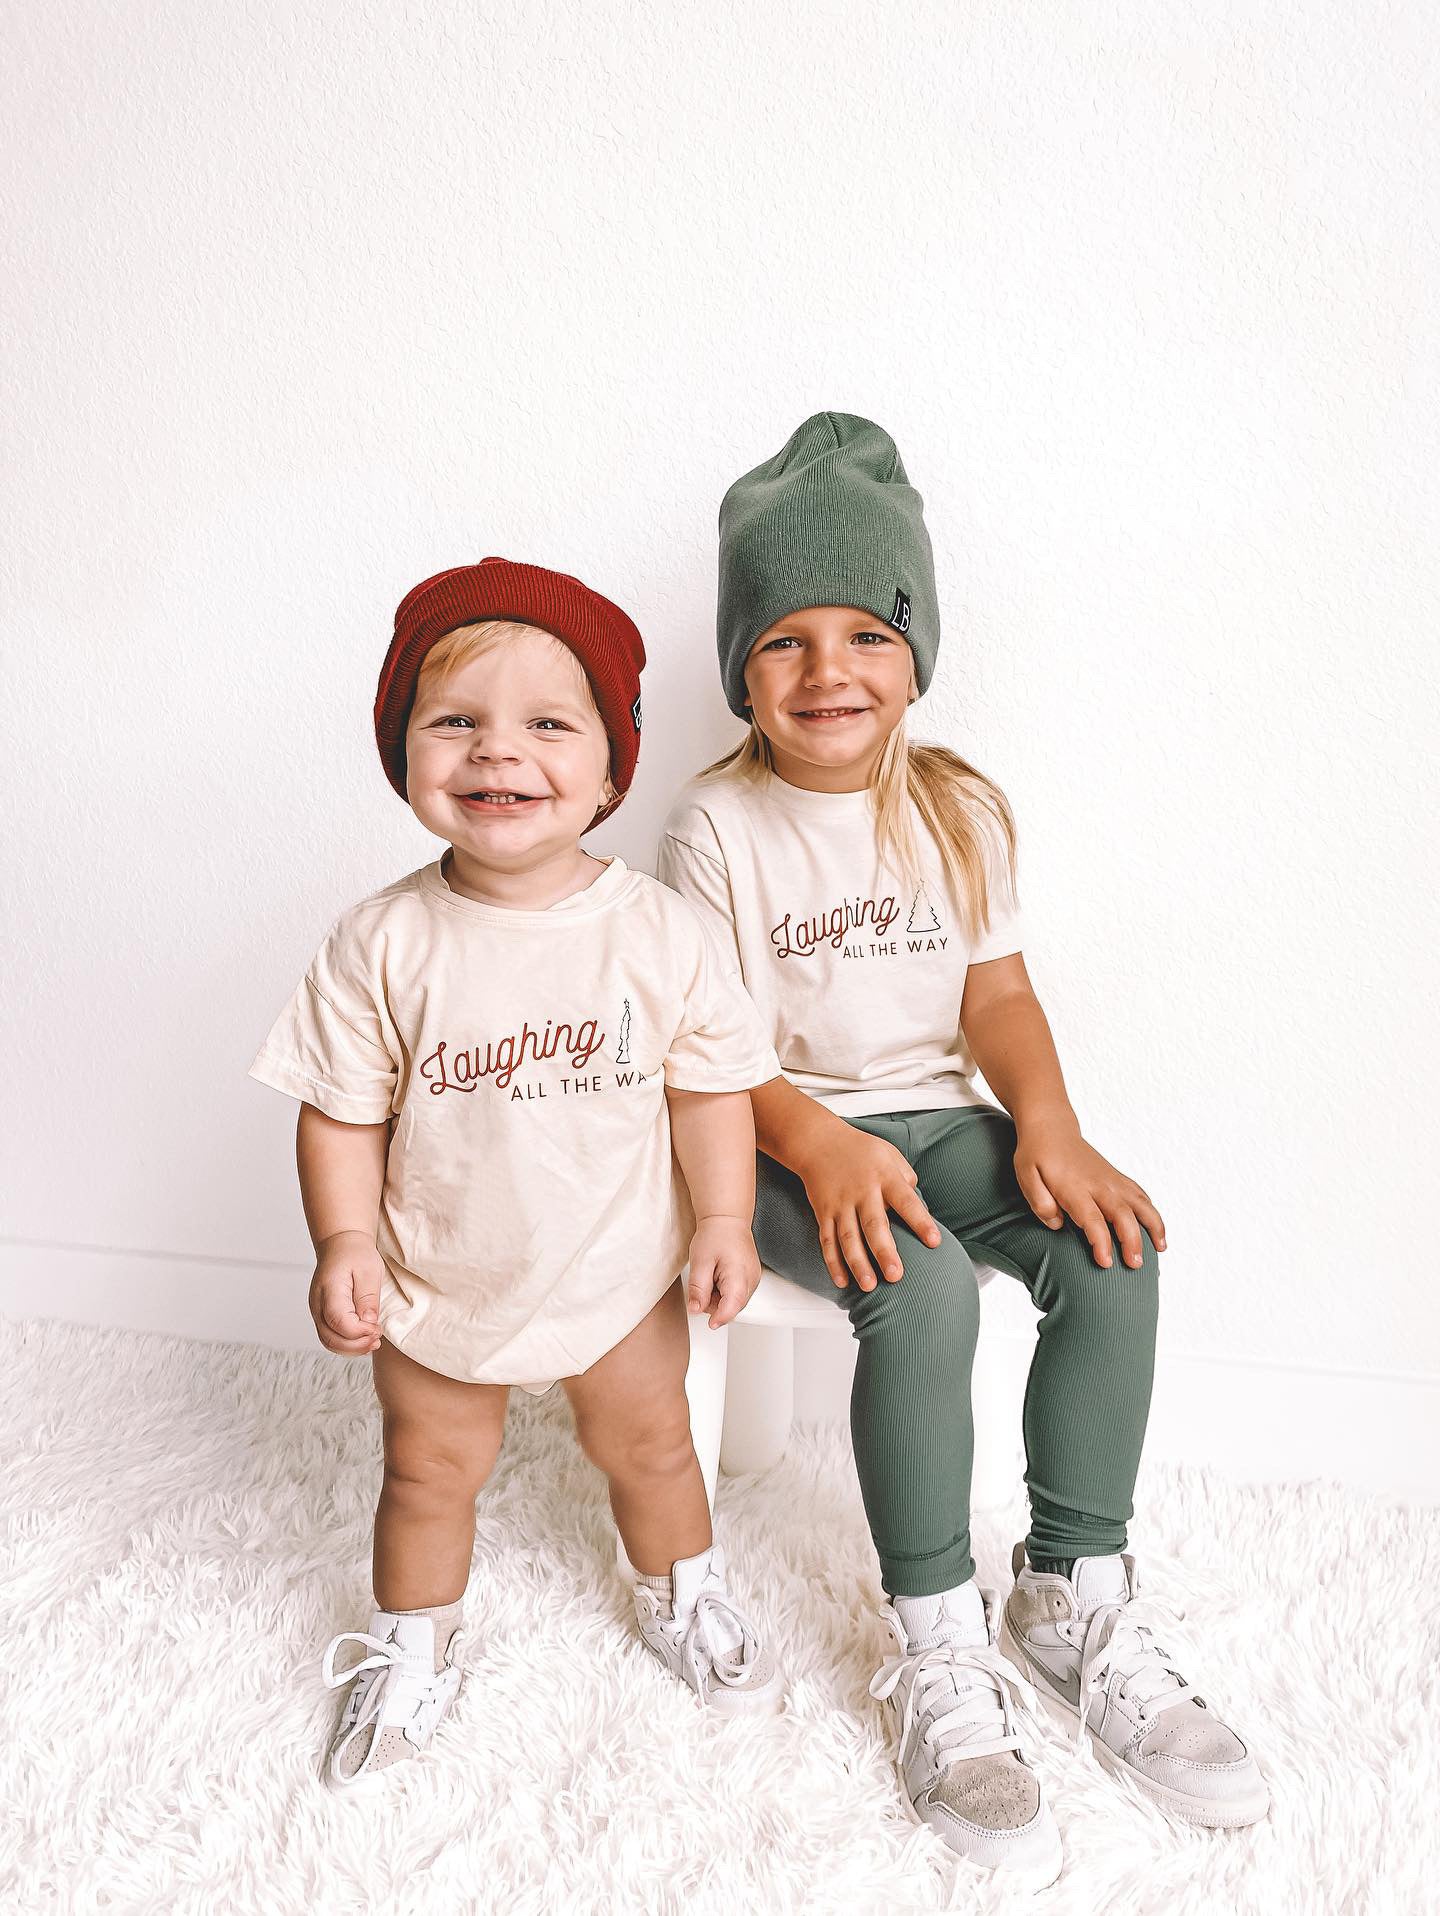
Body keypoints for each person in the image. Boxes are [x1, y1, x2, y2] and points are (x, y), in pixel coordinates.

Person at [658, 414, 1268, 1886]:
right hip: (779, 1139)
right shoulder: (716, 827)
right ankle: (936, 1641)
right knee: (921, 1290)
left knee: (1112, 1253)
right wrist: (819, 1147)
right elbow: (709, 1047)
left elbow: (996, 995)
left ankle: (1071, 1592)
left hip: (944, 1120)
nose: (829, 672)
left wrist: (1049, 1125)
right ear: (741, 664)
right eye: (786, 639)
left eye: (868, 635)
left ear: (916, 654)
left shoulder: (959, 807)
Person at [250, 557, 784, 1791]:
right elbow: (341, 1112)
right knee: (426, 1465)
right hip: (442, 1273)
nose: (499, 751)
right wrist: (344, 1242)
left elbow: (710, 1089)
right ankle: (413, 1639)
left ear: (611, 769)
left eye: (548, 723)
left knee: (652, 1443)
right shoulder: (382, 940)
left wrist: (723, 1216)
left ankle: (683, 1588)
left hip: (616, 1267)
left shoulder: (658, 932)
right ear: (404, 756)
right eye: (456, 721)